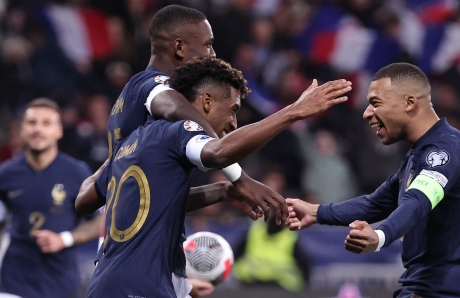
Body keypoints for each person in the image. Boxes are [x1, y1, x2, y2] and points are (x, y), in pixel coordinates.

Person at [80, 57, 349, 297]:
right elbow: (218, 153)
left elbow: (87, 201)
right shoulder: (178, 130)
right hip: (139, 288)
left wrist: (220, 191)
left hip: (109, 283)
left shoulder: (132, 144)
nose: (234, 123)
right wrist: (293, 112)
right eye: (232, 109)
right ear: (207, 101)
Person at [287, 63, 460, 297]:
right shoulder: (417, 155)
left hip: (445, 293)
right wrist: (317, 212)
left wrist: (380, 237)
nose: (366, 113)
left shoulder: (447, 150)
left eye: (375, 103)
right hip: (424, 288)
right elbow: (375, 203)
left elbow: (418, 201)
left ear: (409, 103)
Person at [102, 4, 288, 223]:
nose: (213, 54)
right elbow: (173, 106)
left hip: (124, 239)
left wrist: (220, 191)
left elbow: (88, 199)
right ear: (180, 48)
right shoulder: (153, 85)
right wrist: (239, 177)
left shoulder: (128, 99)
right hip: (139, 248)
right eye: (208, 45)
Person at [0, 98, 102, 298]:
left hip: (60, 283)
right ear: (21, 130)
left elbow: (101, 221)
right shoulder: (6, 174)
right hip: (13, 282)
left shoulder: (77, 173)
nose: (38, 129)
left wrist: (64, 239)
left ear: (59, 130)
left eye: (46, 123)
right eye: (32, 123)